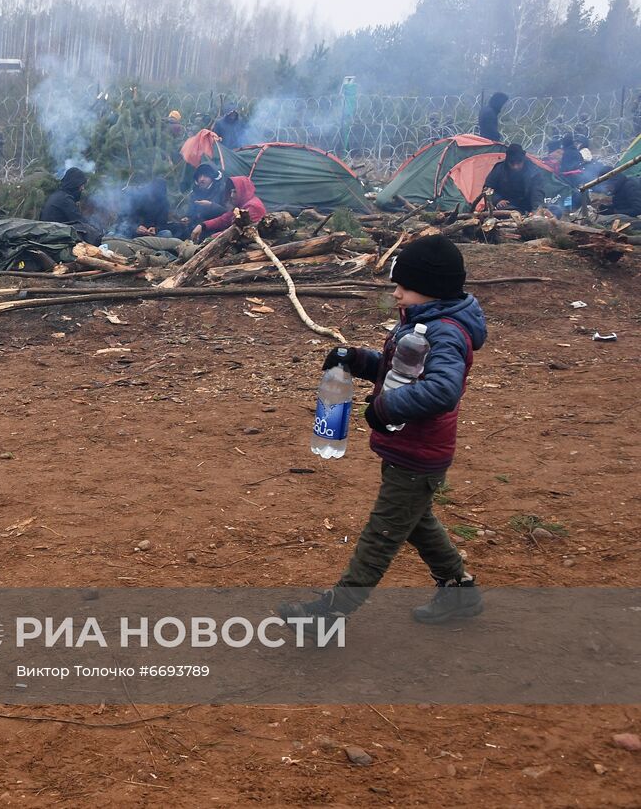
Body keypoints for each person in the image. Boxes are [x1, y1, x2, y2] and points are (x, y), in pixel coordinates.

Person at [279, 235, 488, 625]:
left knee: (383, 533)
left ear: (430, 289)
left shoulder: (445, 333)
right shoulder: (423, 322)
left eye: (403, 288)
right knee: (416, 520)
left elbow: (442, 388)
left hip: (419, 452)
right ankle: (460, 593)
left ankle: (331, 611)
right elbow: (401, 371)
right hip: (407, 447)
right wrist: (357, 359)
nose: (396, 295)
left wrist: (386, 407)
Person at [187, 163, 266, 241]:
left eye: (235, 192)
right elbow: (224, 219)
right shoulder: (241, 205)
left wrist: (210, 239)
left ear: (243, 190)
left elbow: (236, 232)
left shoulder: (252, 207)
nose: (231, 196)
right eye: (231, 192)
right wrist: (202, 225)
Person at [40, 167, 102, 244]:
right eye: (81, 185)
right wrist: (98, 234)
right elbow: (80, 221)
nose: (82, 188)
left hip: (50, 232)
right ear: (75, 184)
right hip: (53, 236)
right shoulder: (65, 199)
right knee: (84, 228)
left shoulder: (59, 195)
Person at [482, 144, 545, 212]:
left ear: (523, 160)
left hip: (527, 205)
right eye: (512, 163)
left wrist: (536, 210)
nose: (516, 167)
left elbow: (537, 192)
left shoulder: (533, 171)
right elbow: (487, 188)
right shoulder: (499, 169)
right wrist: (497, 200)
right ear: (508, 161)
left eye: (519, 163)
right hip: (507, 206)